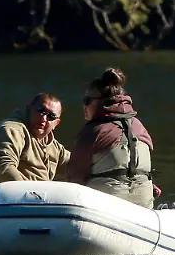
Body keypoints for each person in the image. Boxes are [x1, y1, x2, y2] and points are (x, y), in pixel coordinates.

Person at [63, 67, 160, 208]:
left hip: (108, 206)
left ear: (101, 102)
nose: (84, 105)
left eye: (87, 100)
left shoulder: (93, 131)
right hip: (144, 201)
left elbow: (74, 178)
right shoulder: (139, 126)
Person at [0, 93, 72, 195]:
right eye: (40, 110)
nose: (43, 118)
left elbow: (77, 163)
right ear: (29, 109)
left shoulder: (53, 146)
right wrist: (30, 196)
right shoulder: (10, 130)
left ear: (56, 123)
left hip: (33, 205)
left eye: (51, 116)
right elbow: (4, 168)